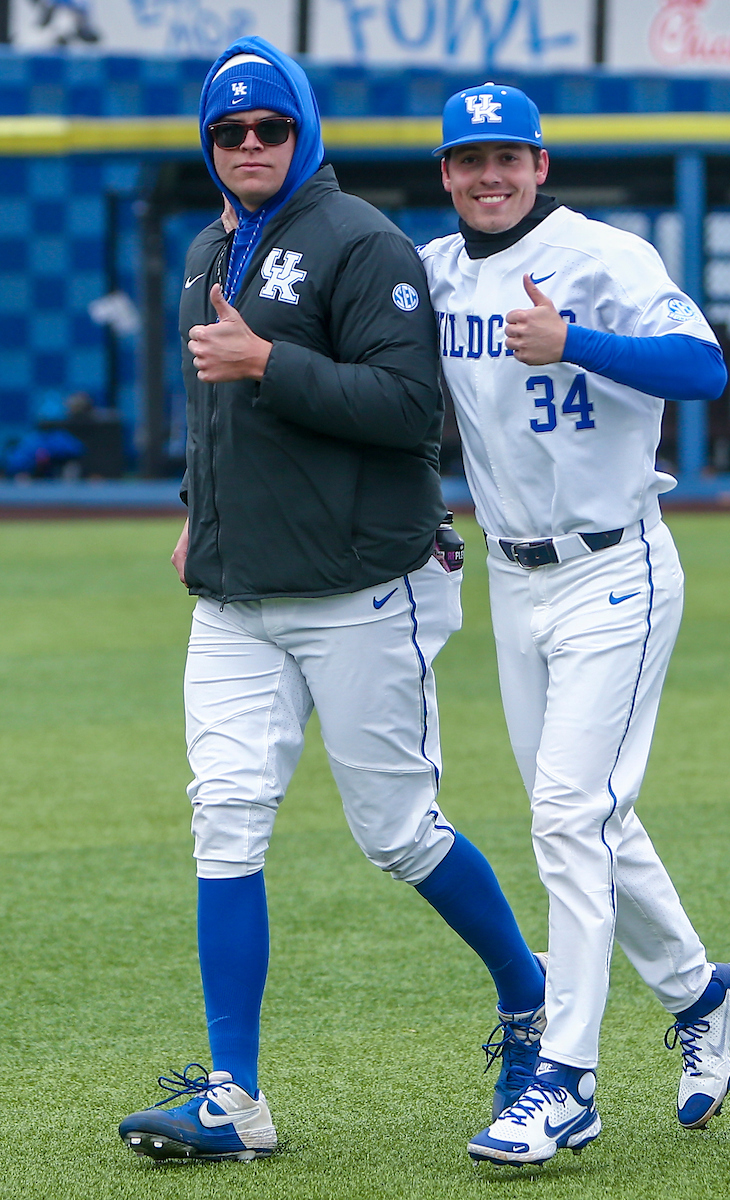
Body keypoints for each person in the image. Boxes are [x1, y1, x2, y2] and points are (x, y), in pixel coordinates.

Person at [118, 41, 548, 1163]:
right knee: (224, 819)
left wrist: (267, 361)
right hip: (236, 593)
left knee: (398, 834)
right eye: (228, 132)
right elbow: (218, 415)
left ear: (304, 131)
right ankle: (234, 1095)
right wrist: (193, 510)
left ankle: (528, 994)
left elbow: (410, 410)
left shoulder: (365, 242)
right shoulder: (212, 243)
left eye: (269, 127)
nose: (250, 145)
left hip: (364, 589)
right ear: (207, 146)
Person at [418, 82, 730, 1167]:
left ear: (539, 164)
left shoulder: (602, 256)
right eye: (469, 159)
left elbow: (701, 367)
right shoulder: (430, 271)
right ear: (445, 174)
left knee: (566, 814)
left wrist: (573, 339)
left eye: (506, 157)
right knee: (588, 818)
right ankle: (702, 992)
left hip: (616, 565)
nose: (488, 175)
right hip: (512, 581)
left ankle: (562, 1081)